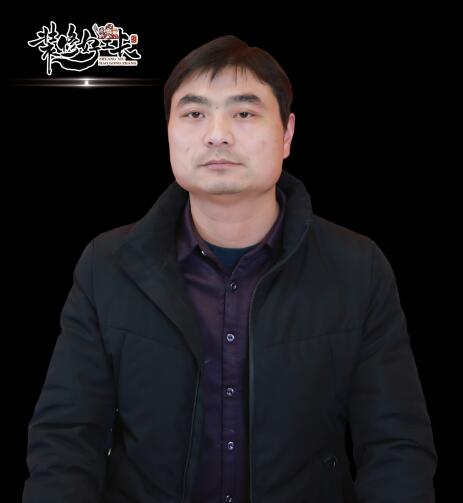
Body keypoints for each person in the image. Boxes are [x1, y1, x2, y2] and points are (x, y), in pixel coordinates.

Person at [22, 35, 437, 503]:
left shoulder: (357, 267)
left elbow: (396, 446)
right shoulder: (108, 265)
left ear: (287, 134)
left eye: (243, 113)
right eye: (194, 114)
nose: (217, 134)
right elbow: (66, 437)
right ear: (169, 132)